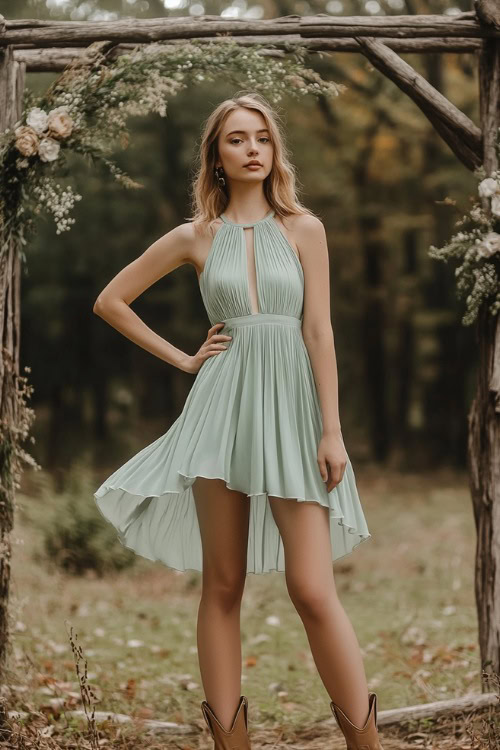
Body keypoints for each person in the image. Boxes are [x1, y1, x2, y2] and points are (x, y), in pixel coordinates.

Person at [93, 91, 383, 750]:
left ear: (274, 150)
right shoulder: (196, 236)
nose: (252, 148)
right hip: (220, 411)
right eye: (236, 139)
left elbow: (318, 330)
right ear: (217, 158)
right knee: (221, 584)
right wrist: (185, 359)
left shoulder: (305, 229)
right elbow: (111, 300)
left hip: (293, 411)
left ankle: (367, 744)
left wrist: (331, 429)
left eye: (262, 137)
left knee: (311, 588)